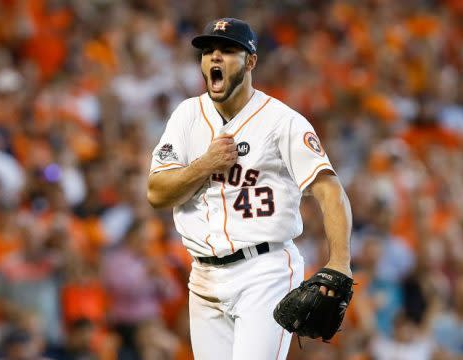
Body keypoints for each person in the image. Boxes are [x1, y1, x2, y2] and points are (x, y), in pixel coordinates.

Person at [147, 18, 352, 360]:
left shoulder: (281, 121)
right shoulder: (186, 116)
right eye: (208, 51)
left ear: (251, 61)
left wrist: (341, 262)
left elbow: (329, 190)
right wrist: (206, 164)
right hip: (203, 277)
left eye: (228, 51)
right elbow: (156, 192)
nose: (215, 58)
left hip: (264, 270)